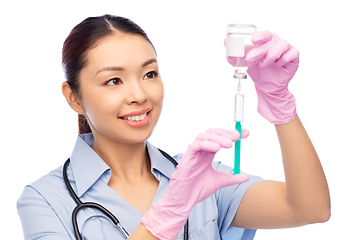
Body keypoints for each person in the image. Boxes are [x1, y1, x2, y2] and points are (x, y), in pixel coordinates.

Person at [17, 14, 330, 240]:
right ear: (73, 98)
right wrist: (168, 214)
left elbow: (310, 209)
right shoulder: (44, 200)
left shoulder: (198, 178)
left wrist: (281, 106)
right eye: (114, 80)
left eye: (149, 74)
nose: (139, 94)